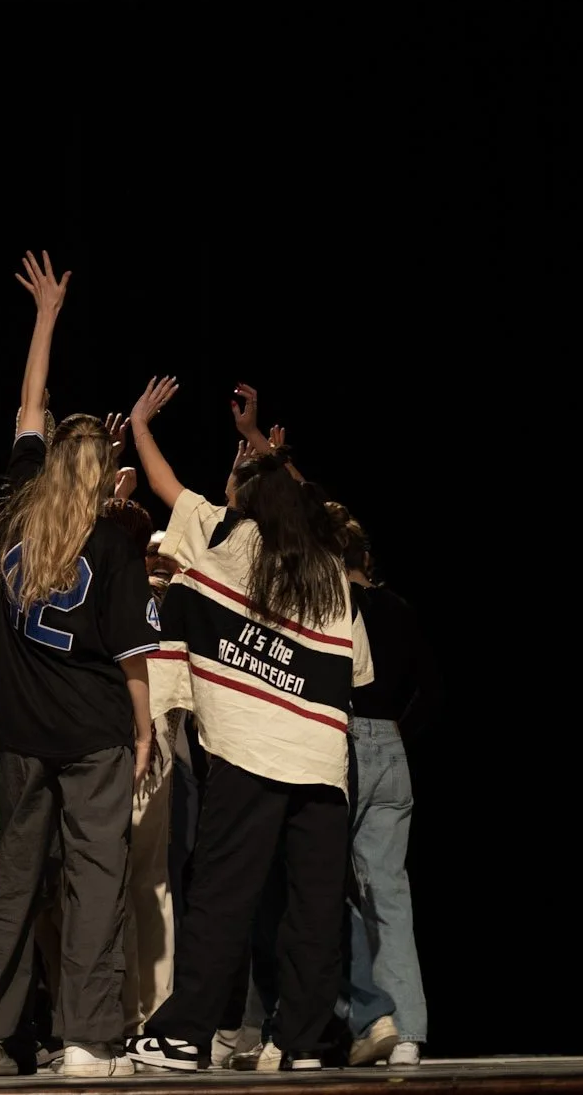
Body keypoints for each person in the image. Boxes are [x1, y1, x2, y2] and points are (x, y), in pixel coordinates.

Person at [121, 376, 372, 1074]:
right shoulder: (327, 563)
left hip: (251, 751)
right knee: (314, 907)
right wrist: (261, 443)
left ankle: (183, 1033)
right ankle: (305, 1040)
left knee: (223, 896)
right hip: (322, 759)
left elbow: (168, 503)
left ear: (247, 498)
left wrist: (143, 423)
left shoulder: (229, 541)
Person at [0, 254, 160, 1082]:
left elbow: (26, 406)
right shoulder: (112, 541)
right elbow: (135, 653)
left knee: (11, 883)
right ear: (104, 471)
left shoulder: (10, 519)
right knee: (96, 882)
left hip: (21, 735)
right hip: (94, 733)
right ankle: (85, 1039)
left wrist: (44, 316)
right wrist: (145, 732)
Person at [335, 516, 432, 1066]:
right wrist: (398, 729)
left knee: (321, 885)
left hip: (342, 745)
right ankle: (409, 1035)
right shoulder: (400, 609)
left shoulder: (332, 603)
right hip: (393, 754)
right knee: (390, 896)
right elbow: (434, 689)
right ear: (366, 559)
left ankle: (370, 1017)